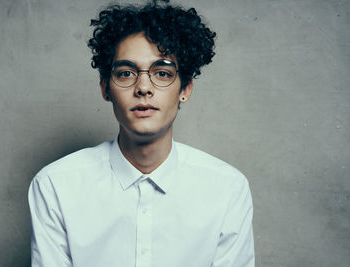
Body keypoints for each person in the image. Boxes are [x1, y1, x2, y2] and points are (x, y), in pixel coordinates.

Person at [28, 0, 255, 266]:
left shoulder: (227, 188)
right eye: (126, 73)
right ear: (105, 88)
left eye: (162, 73)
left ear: (185, 89)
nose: (143, 87)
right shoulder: (56, 185)